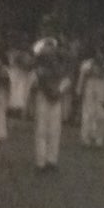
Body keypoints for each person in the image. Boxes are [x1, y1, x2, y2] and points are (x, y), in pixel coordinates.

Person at [31, 36, 69, 172]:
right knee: (41, 129)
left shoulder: (60, 67)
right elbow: (35, 84)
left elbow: (66, 81)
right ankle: (41, 161)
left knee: (55, 129)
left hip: (55, 98)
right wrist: (50, 91)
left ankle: (51, 160)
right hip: (43, 97)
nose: (50, 53)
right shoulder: (39, 69)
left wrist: (58, 92)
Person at [76, 45, 104, 148]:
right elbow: (81, 78)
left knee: (101, 114)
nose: (99, 54)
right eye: (97, 52)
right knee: (88, 113)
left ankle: (99, 139)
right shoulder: (87, 64)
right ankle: (85, 138)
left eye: (101, 52)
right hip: (89, 86)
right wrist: (79, 89)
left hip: (102, 87)